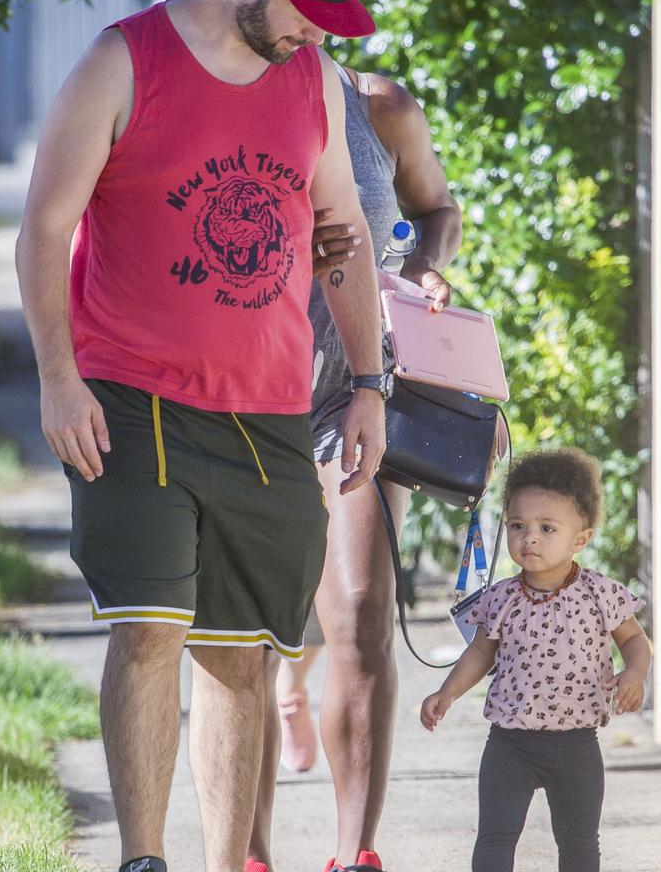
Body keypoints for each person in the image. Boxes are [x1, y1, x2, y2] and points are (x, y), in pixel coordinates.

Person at [15, 0, 389, 872]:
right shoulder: (121, 61)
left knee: (239, 652)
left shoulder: (315, 81)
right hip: (129, 397)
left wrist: (372, 384)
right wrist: (58, 380)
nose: (315, 36)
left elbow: (341, 236)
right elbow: (45, 231)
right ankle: (145, 859)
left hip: (267, 408)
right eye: (307, 13)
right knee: (149, 626)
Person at [246, 63, 462, 872]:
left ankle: (354, 854)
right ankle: (250, 852)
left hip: (359, 391)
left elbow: (436, 206)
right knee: (250, 637)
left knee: (364, 617)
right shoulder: (212, 92)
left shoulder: (379, 107)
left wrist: (424, 267)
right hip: (241, 399)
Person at [420, 448, 652, 872]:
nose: (530, 538)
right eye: (518, 526)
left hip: (577, 745)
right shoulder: (501, 598)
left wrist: (634, 672)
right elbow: (480, 652)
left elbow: (636, 640)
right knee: (495, 838)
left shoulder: (601, 594)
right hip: (509, 745)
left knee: (579, 844)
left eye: (547, 528)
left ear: (580, 539)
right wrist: (447, 692)